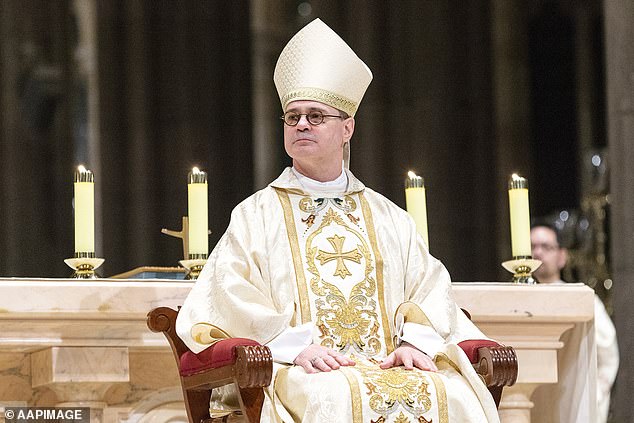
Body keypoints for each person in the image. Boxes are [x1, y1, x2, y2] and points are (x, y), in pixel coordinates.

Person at [177, 18, 500, 422]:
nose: (300, 125)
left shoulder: (389, 218)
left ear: (347, 128)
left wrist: (415, 341)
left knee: (454, 395)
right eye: (292, 117)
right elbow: (226, 293)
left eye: (315, 116)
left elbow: (429, 287)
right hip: (298, 368)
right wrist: (294, 348)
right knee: (332, 398)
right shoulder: (256, 214)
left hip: (389, 363)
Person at [531, 223, 619, 423]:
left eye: (546, 247)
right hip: (531, 404)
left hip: (570, 402)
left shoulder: (581, 299)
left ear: (562, 256)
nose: (537, 253)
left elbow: (608, 353)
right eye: (532, 246)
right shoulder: (515, 300)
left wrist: (594, 397)